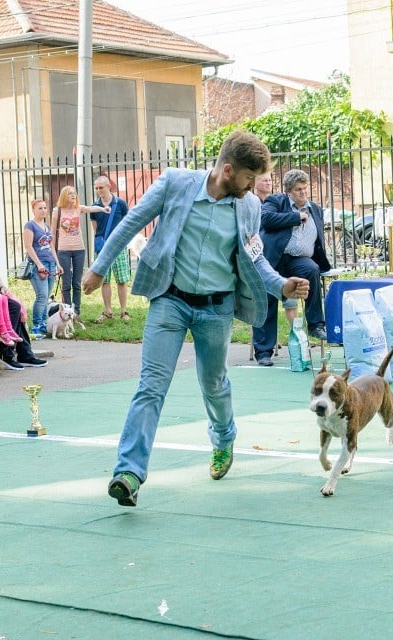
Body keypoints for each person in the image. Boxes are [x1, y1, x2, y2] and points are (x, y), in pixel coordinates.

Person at [82, 130, 311, 507]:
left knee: (214, 383)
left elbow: (255, 258)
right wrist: (99, 268)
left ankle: (224, 438)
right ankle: (128, 471)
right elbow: (131, 221)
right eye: (249, 178)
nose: (254, 186)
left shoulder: (249, 206)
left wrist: (282, 285)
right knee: (151, 385)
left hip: (216, 308)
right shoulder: (176, 183)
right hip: (169, 301)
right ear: (227, 169)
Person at [252, 169, 332, 367]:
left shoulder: (315, 209)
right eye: (298, 190)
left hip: (298, 259)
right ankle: (263, 351)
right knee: (267, 299)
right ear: (289, 191)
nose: (303, 193)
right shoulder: (275, 201)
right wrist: (296, 217)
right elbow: (266, 221)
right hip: (274, 259)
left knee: (311, 270)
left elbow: (319, 238)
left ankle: (316, 325)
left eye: (305, 188)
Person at [0, 213, 48, 370]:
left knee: (16, 305)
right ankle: (7, 353)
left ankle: (24, 353)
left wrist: (3, 287)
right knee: (13, 307)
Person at [51, 185, 109, 316]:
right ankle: (66, 311)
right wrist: (53, 252)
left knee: (77, 283)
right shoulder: (57, 211)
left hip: (79, 250)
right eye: (70, 193)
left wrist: (103, 209)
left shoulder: (78, 208)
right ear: (65, 195)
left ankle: (76, 312)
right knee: (66, 283)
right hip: (63, 250)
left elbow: (90, 208)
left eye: (74, 193)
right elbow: (53, 233)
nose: (73, 195)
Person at [253, 172, 298, 330]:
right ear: (254, 183)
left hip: (278, 255)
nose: (268, 182)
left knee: (291, 297)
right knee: (265, 301)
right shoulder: (251, 203)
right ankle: (265, 343)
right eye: (263, 179)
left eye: (270, 179)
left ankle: (296, 333)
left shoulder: (277, 202)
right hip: (260, 256)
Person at [90, 175, 132, 323]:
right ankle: (108, 311)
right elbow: (95, 228)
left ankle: (123, 311)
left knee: (121, 279)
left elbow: (128, 222)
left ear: (109, 186)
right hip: (103, 247)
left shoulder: (120, 203)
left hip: (119, 245)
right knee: (104, 279)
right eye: (96, 188)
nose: (98, 190)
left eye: (101, 187)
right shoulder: (94, 206)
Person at [22, 199, 63, 336]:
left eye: (45, 208)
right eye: (40, 208)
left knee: (46, 298)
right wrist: (39, 264)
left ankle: (44, 323)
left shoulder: (46, 226)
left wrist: (57, 264)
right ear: (33, 210)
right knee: (42, 295)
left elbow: (51, 246)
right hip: (38, 265)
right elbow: (28, 246)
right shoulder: (30, 225)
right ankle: (36, 325)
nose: (43, 210)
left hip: (51, 263)